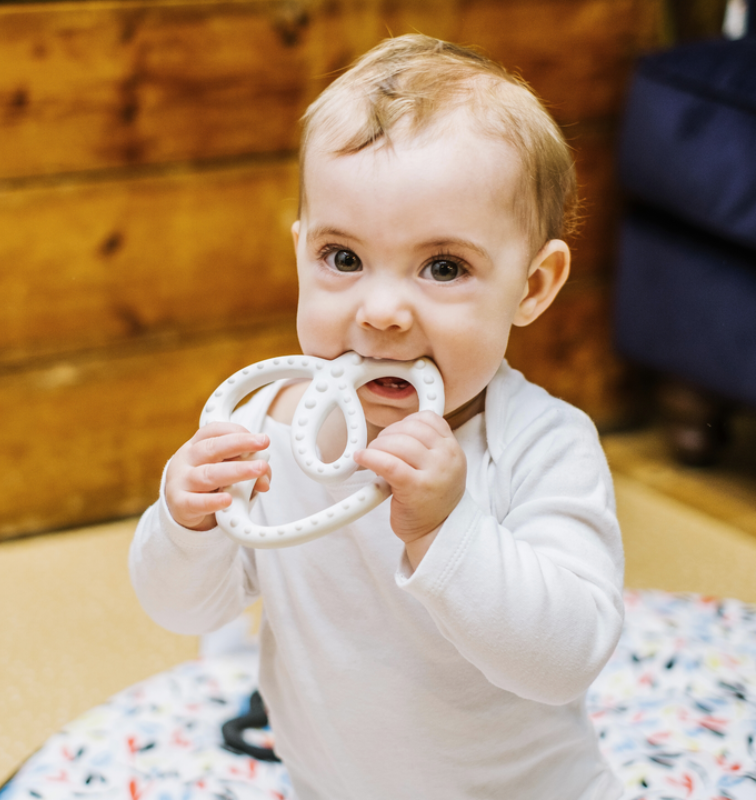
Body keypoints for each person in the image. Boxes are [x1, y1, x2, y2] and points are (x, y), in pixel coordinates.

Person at [130, 34, 625, 800]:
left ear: (533, 285)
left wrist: (445, 530)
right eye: (344, 258)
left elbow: (567, 658)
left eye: (444, 267)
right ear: (301, 254)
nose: (383, 311)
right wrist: (185, 522)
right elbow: (181, 605)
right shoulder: (270, 428)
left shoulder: (545, 446)